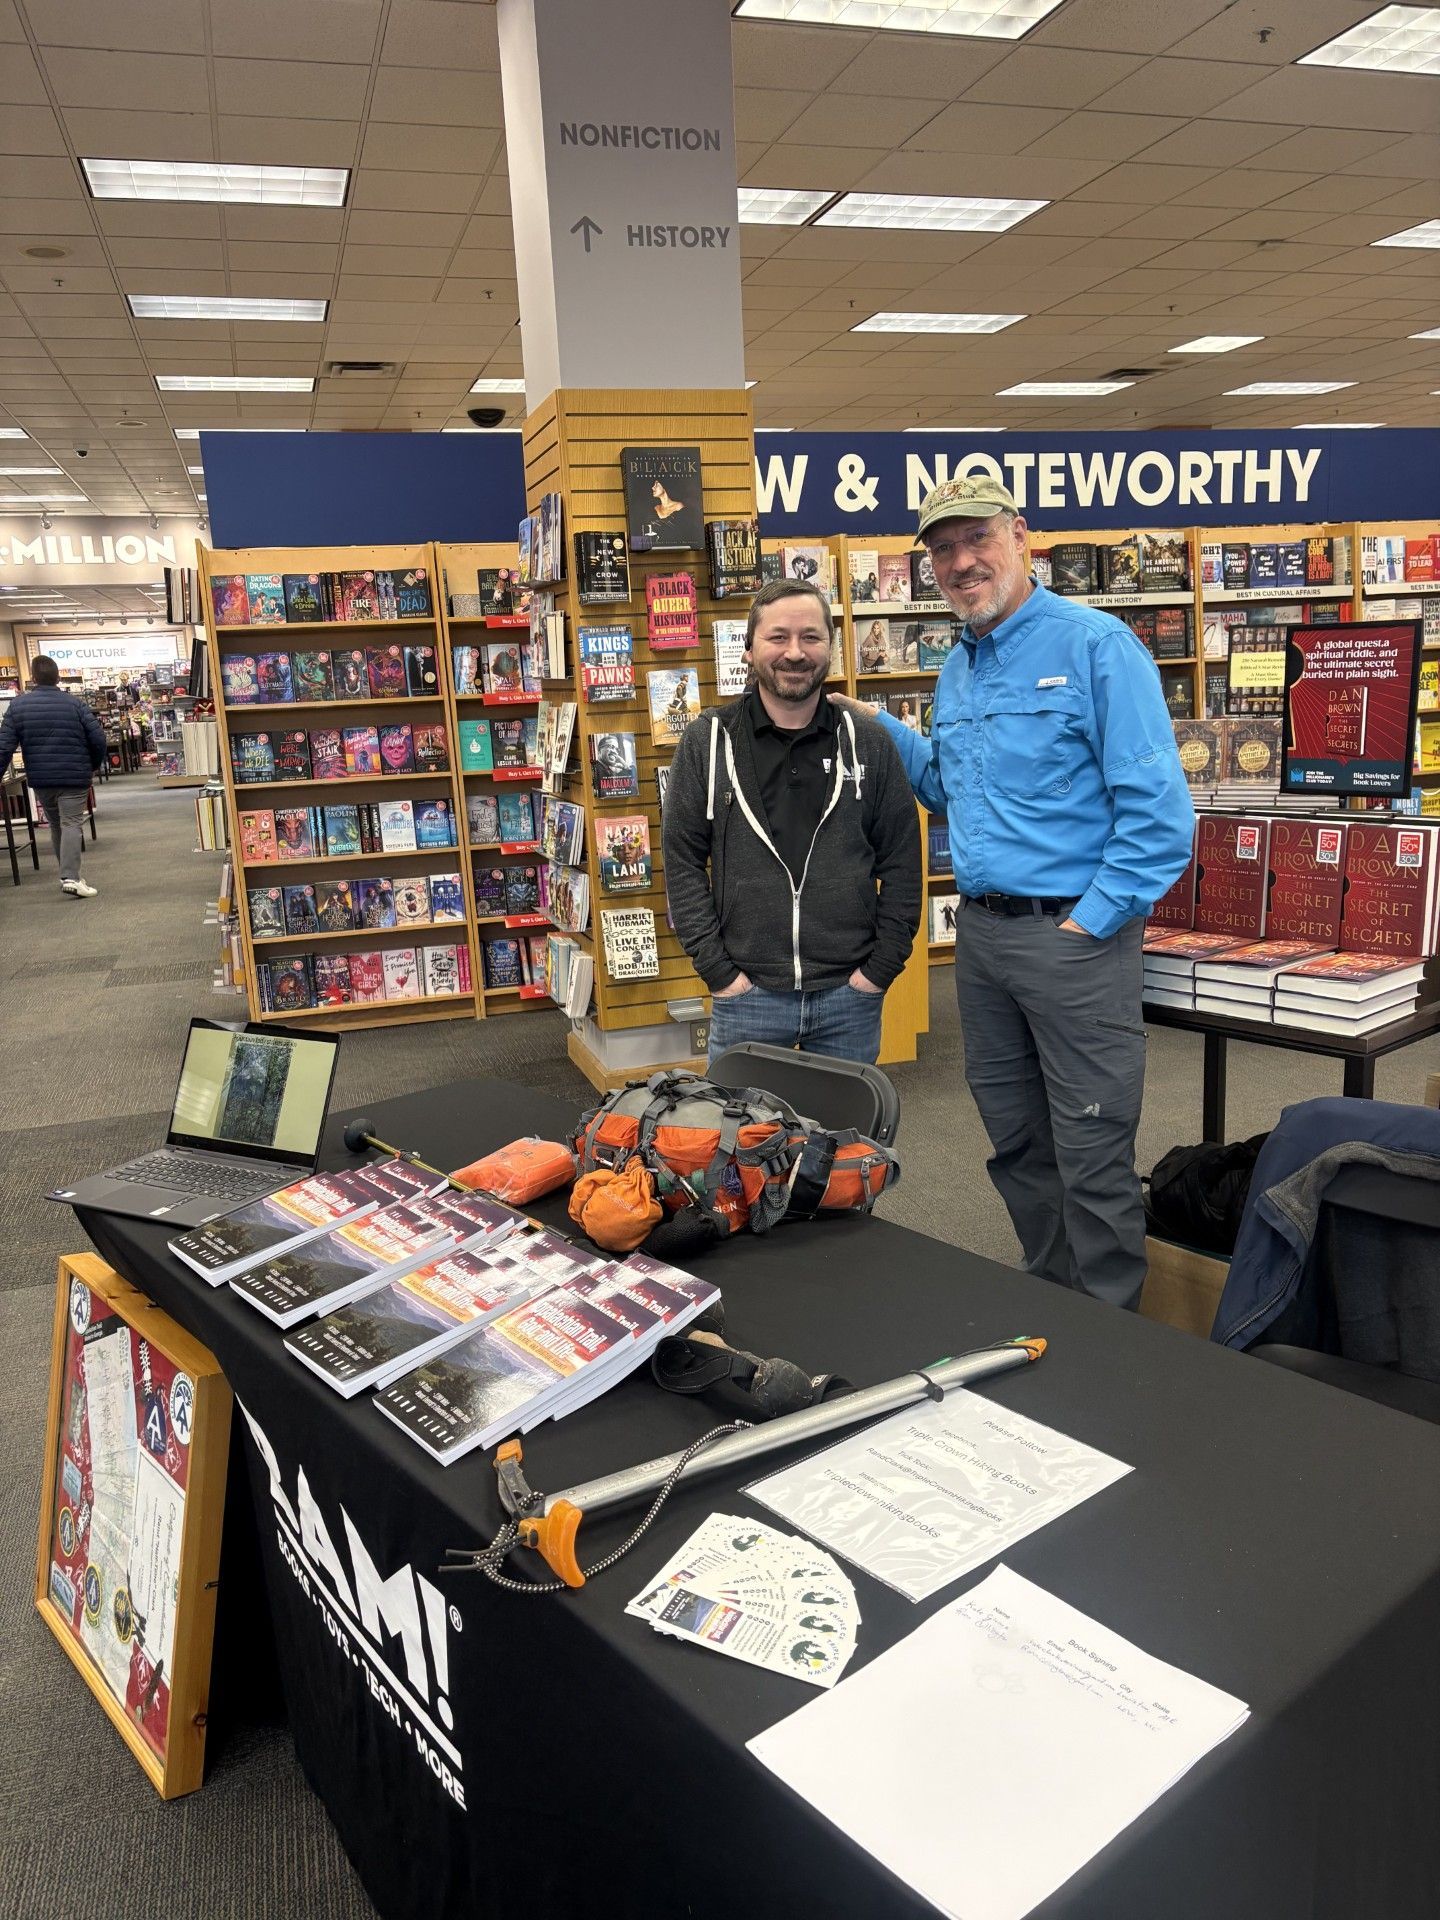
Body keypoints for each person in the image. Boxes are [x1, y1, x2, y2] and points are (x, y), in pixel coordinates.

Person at [838, 476, 1193, 1310]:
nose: (961, 562)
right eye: (942, 549)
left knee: (1094, 1148)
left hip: (1074, 939)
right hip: (985, 943)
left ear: (1021, 537)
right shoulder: (958, 667)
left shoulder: (1097, 647)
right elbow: (945, 790)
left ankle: (1115, 1337)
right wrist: (877, 725)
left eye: (977, 541)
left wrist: (1090, 925)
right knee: (1016, 1144)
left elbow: (1160, 817)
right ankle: (1053, 1303)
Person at [664, 577, 921, 1067]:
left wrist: (879, 971)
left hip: (850, 998)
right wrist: (720, 974)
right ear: (748, 649)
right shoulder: (707, 742)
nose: (795, 653)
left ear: (831, 647)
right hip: (747, 998)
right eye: (778, 637)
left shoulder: (869, 742)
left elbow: (904, 863)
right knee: (742, 1139)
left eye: (810, 637)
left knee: (846, 1141)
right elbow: (681, 863)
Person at [0, 655, 106, 898]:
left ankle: (69, 875)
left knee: (57, 825)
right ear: (58, 677)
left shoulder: (18, 706)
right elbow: (98, 738)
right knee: (71, 823)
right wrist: (93, 765)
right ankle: (70, 876)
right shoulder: (75, 704)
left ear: (33, 678)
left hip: (41, 778)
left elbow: (4, 746)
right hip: (74, 775)